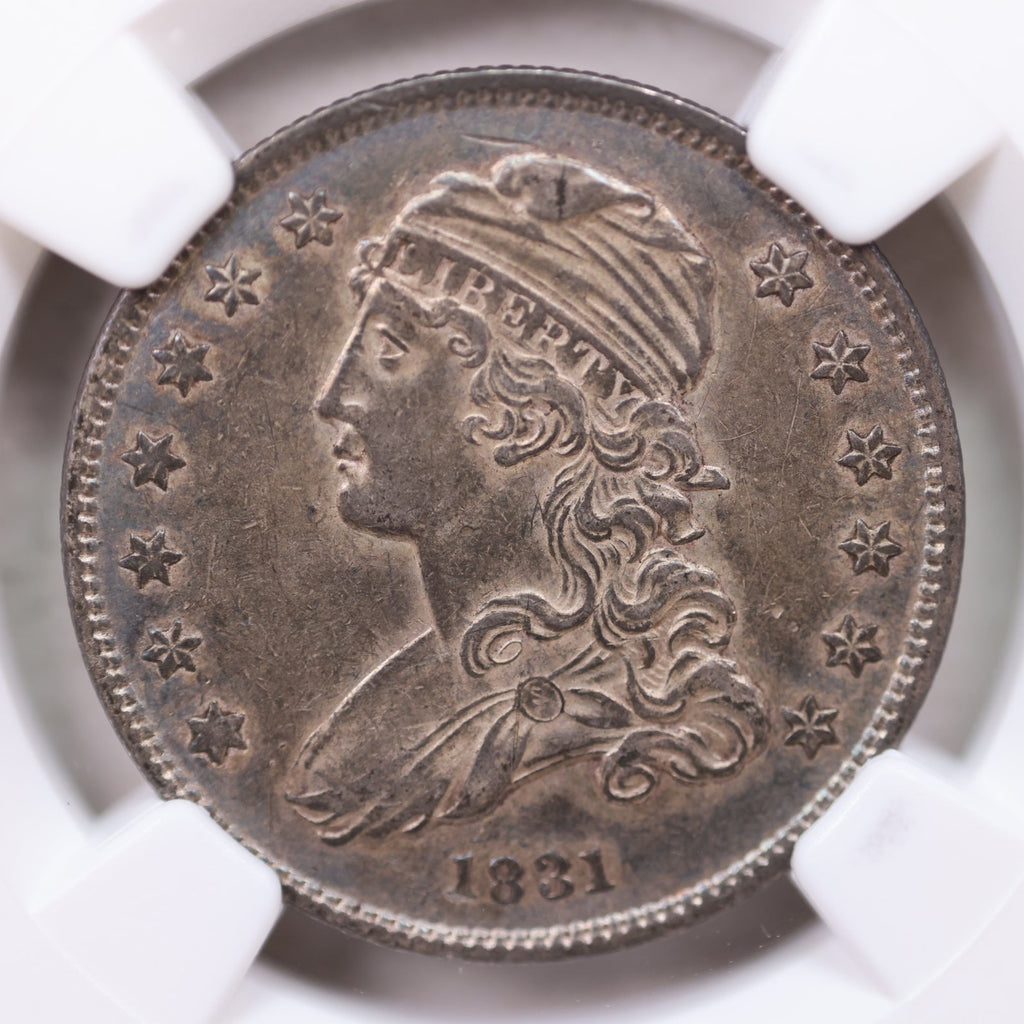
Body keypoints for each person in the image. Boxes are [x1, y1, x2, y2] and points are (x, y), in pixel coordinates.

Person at [286, 153, 768, 845]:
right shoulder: (385, 717)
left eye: (388, 353)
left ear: (529, 413)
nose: (334, 398)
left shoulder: (639, 720)